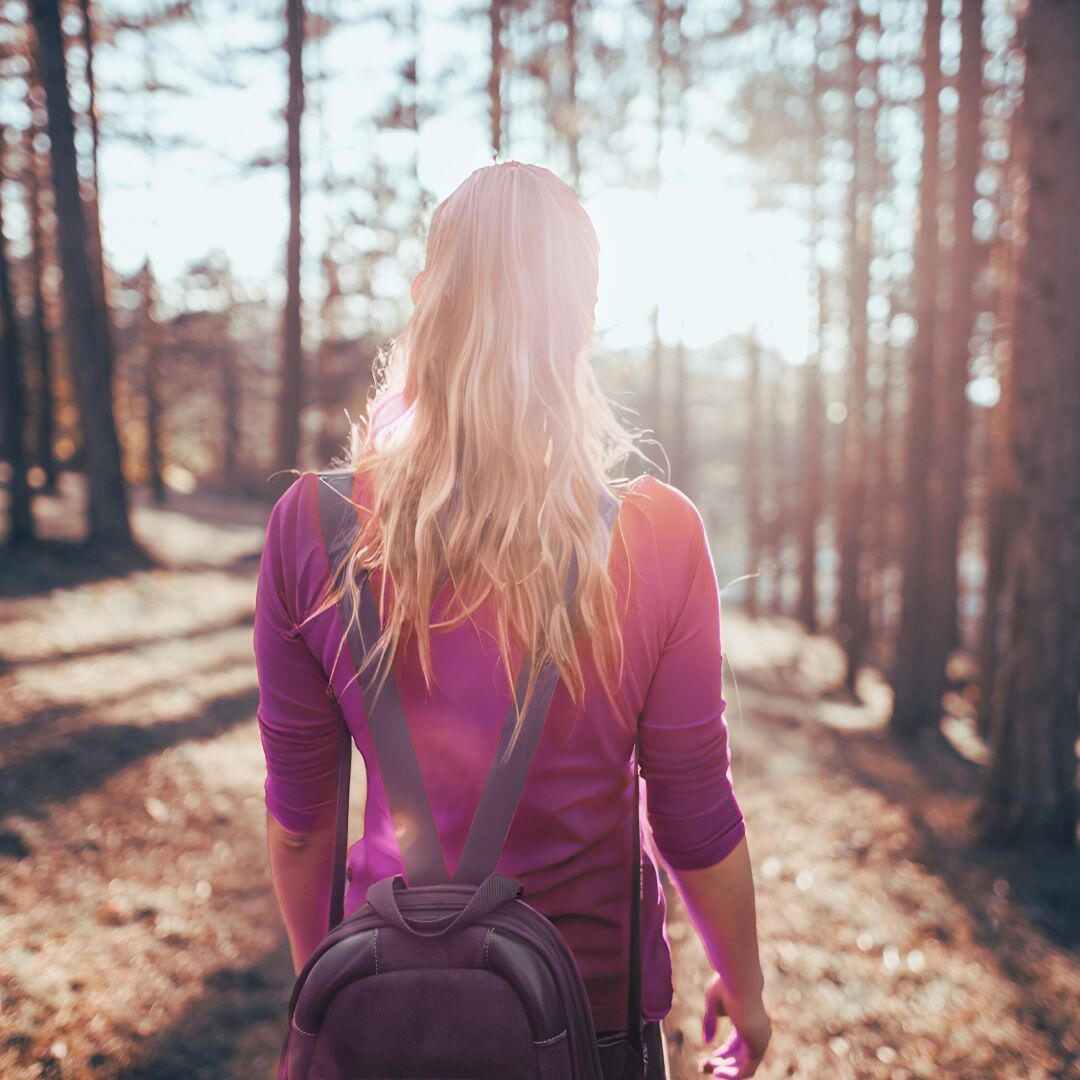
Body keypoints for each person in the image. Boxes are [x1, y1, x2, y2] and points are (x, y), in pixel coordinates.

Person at [253, 161, 772, 1079]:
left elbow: (302, 827)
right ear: (582, 318)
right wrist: (746, 987)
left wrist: (330, 999)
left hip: (384, 1015)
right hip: (589, 1029)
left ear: (427, 297)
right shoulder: (657, 535)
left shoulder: (315, 527)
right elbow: (692, 811)